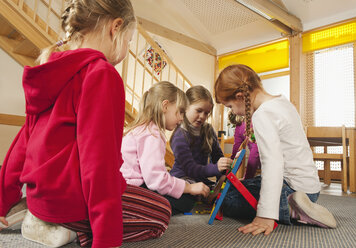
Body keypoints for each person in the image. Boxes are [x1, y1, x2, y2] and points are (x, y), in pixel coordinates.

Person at [0, 1, 171, 247]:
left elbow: (22, 144)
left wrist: (3, 201)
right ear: (116, 28)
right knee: (162, 211)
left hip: (39, 195)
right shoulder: (101, 73)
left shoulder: (48, 68)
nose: (126, 48)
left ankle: (43, 218)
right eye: (129, 40)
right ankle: (73, 229)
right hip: (72, 201)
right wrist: (106, 239)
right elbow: (98, 163)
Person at [214, 64, 337, 236]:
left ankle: (291, 208)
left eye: (230, 106)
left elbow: (273, 164)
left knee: (227, 199)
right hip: (311, 188)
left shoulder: (262, 114)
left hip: (291, 188)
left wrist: (265, 214)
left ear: (240, 96)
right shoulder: (283, 103)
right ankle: (299, 204)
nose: (234, 112)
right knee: (237, 186)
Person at [120, 81, 210, 216]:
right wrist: (189, 187)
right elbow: (156, 181)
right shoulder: (152, 135)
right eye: (179, 112)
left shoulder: (143, 129)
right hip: (130, 191)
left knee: (179, 192)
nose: (181, 118)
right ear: (165, 106)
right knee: (186, 201)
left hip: (125, 187)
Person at [170, 85, 232, 187]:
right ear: (186, 107)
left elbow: (217, 157)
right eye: (199, 111)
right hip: (182, 178)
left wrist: (223, 173)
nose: (202, 116)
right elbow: (190, 169)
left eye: (206, 113)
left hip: (200, 179)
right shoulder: (179, 136)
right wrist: (216, 168)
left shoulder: (208, 130)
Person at [228, 111, 261, 179]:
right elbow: (236, 152)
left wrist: (247, 177)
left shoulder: (252, 122)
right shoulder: (238, 128)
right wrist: (229, 171)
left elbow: (255, 151)